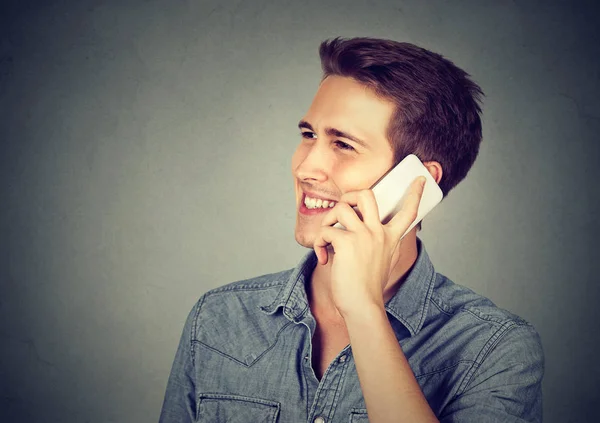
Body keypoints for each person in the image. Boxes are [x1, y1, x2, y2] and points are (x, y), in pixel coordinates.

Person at [159, 37, 544, 423]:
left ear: (418, 185)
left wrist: (363, 310)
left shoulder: (495, 349)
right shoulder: (219, 317)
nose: (306, 167)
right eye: (309, 135)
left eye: (343, 144)